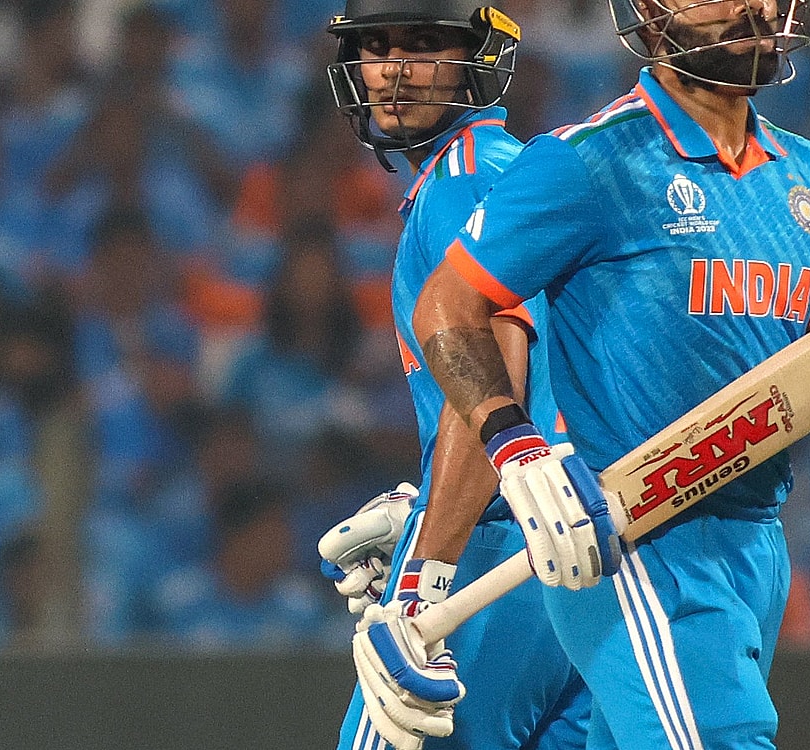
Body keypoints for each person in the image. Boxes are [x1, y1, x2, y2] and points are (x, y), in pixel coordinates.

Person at [403, 1, 810, 748]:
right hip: (639, 538)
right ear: (649, 13)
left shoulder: (807, 173)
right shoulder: (588, 160)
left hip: (757, 542)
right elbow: (446, 306)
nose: (750, 8)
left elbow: (805, 361)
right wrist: (514, 445)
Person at [315, 2, 591, 749]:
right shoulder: (513, 169)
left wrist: (425, 572)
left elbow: (494, 382)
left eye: (424, 44)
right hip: (578, 556)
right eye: (376, 47)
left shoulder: (460, 183)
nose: (395, 70)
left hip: (496, 555)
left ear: (481, 58)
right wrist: (430, 502)